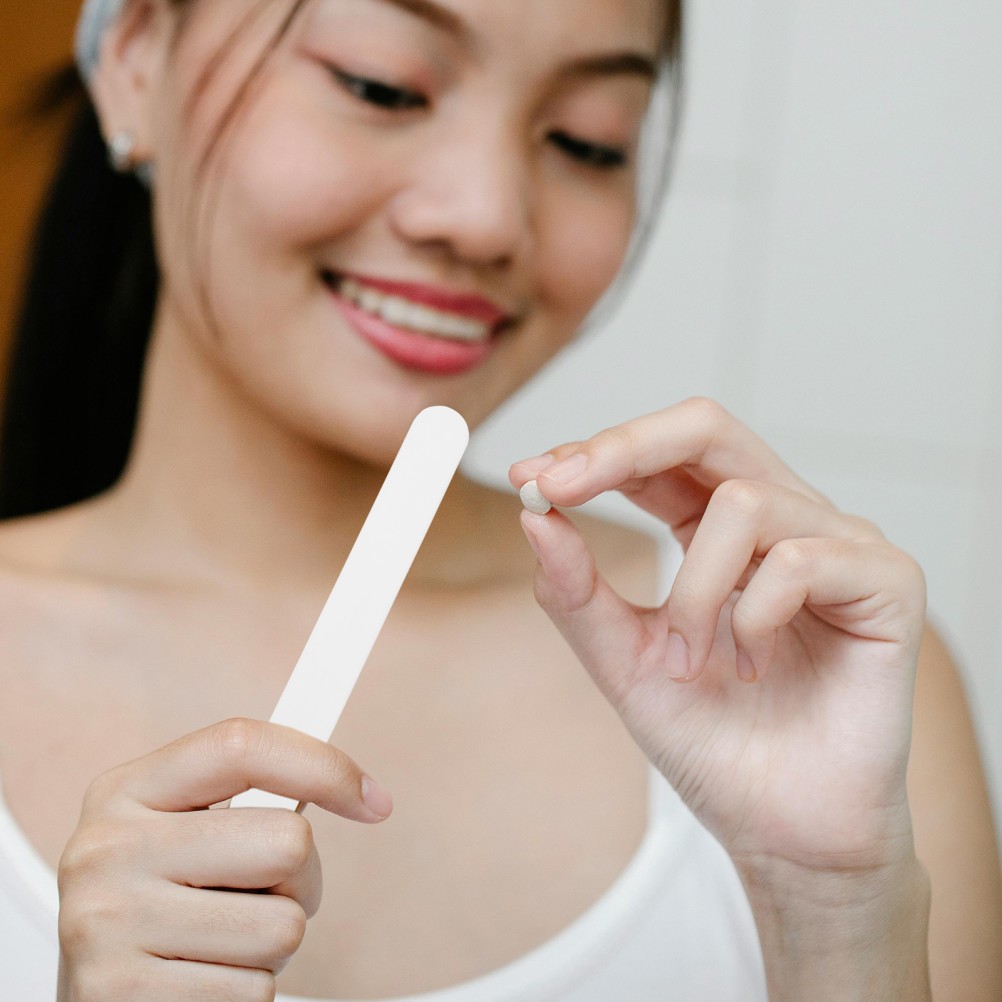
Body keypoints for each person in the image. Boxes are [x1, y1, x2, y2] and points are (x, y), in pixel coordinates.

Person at [0, 0, 998, 999]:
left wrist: (834, 919)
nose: (486, 216)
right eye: (380, 85)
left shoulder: (808, 688)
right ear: (136, 58)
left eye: (586, 140)